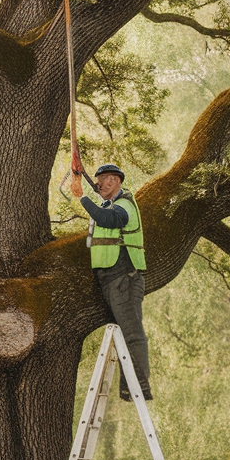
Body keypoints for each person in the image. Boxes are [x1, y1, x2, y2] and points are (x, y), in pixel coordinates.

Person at [71, 163, 152, 401]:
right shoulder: (111, 202)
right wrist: (81, 175)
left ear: (116, 181)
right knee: (124, 334)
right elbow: (102, 204)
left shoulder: (124, 205)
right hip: (110, 279)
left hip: (123, 276)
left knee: (133, 333)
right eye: (97, 181)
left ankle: (139, 386)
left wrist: (82, 198)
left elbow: (107, 219)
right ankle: (131, 386)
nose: (100, 185)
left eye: (104, 180)